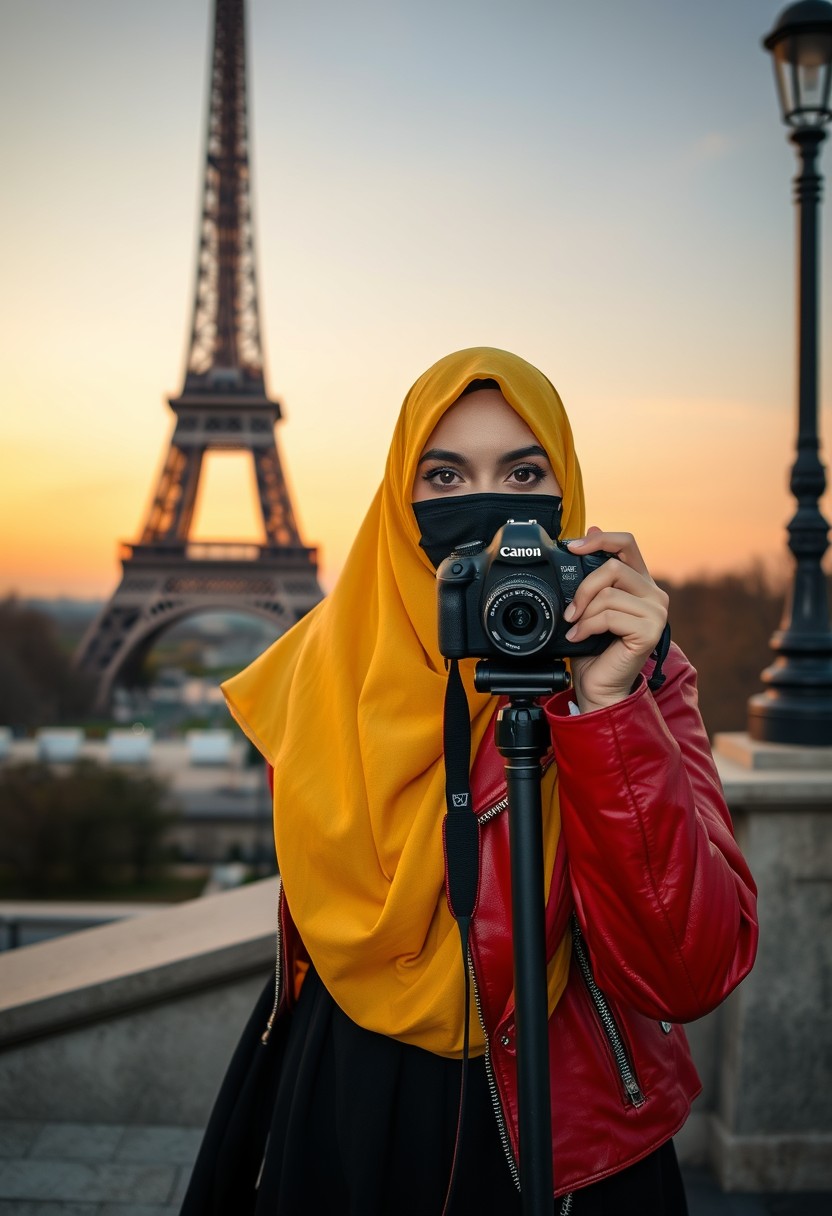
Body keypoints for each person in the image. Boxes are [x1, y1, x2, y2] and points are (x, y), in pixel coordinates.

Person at [180, 347, 758, 1216]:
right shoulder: (313, 673)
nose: (489, 510)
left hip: (563, 1120)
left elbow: (690, 975)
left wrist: (608, 711)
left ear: (569, 492)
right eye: (444, 475)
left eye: (525, 472)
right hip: (349, 1093)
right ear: (396, 499)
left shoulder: (635, 672)